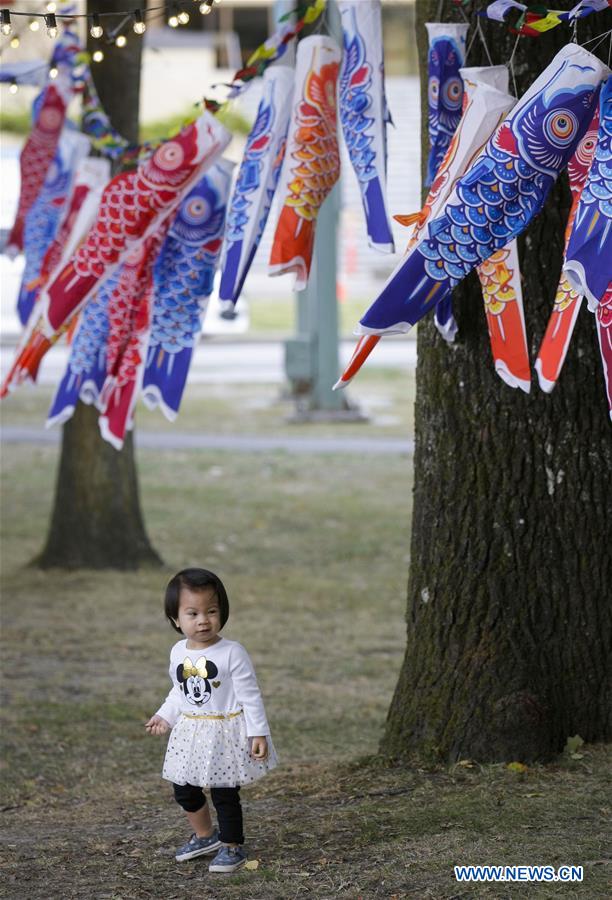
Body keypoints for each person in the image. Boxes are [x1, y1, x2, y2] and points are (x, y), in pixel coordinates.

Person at [145, 567, 278, 873]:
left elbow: (250, 695)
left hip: (225, 731)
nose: (203, 620)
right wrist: (164, 715)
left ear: (222, 612)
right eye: (192, 613)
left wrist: (258, 733)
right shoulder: (178, 652)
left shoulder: (232, 652)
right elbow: (179, 693)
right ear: (176, 619)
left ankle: (232, 846)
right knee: (183, 788)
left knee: (223, 792)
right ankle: (206, 836)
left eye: (211, 611)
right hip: (190, 732)